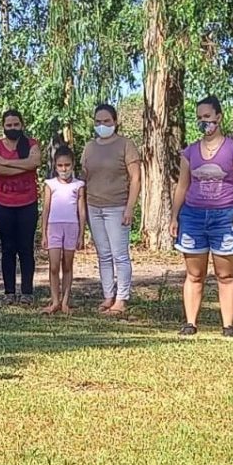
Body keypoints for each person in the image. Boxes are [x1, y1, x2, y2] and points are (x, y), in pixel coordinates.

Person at [171, 96, 233, 338]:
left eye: (207, 117)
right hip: (193, 217)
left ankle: (228, 326)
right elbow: (182, 186)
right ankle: (190, 323)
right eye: (199, 118)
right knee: (195, 274)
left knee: (225, 275)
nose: (203, 122)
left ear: (218, 117)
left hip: (225, 217)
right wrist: (175, 217)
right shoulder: (190, 152)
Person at [80, 103, 140, 315]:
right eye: (98, 122)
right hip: (94, 206)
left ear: (115, 122)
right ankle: (108, 296)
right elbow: (84, 177)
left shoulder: (126, 145)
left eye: (106, 121)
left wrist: (130, 207)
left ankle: (122, 298)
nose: (102, 125)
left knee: (119, 255)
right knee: (103, 254)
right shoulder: (89, 147)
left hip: (118, 207)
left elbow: (135, 178)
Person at [0, 109, 41, 305]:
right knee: (8, 248)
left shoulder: (31, 144)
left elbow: (35, 162)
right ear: (4, 126)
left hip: (28, 203)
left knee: (26, 248)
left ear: (22, 125)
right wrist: (22, 165)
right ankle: (9, 292)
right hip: (3, 203)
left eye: (16, 125)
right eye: (9, 125)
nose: (12, 128)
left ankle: (27, 291)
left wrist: (6, 162)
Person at [40, 146, 86, 314]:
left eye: (67, 165)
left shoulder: (79, 185)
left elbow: (81, 211)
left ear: (73, 164)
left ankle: (65, 301)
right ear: (55, 166)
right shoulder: (50, 184)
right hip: (54, 226)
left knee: (67, 265)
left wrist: (81, 234)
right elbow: (46, 209)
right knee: (53, 266)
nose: (64, 169)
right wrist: (44, 233)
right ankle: (54, 301)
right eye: (60, 165)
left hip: (71, 227)